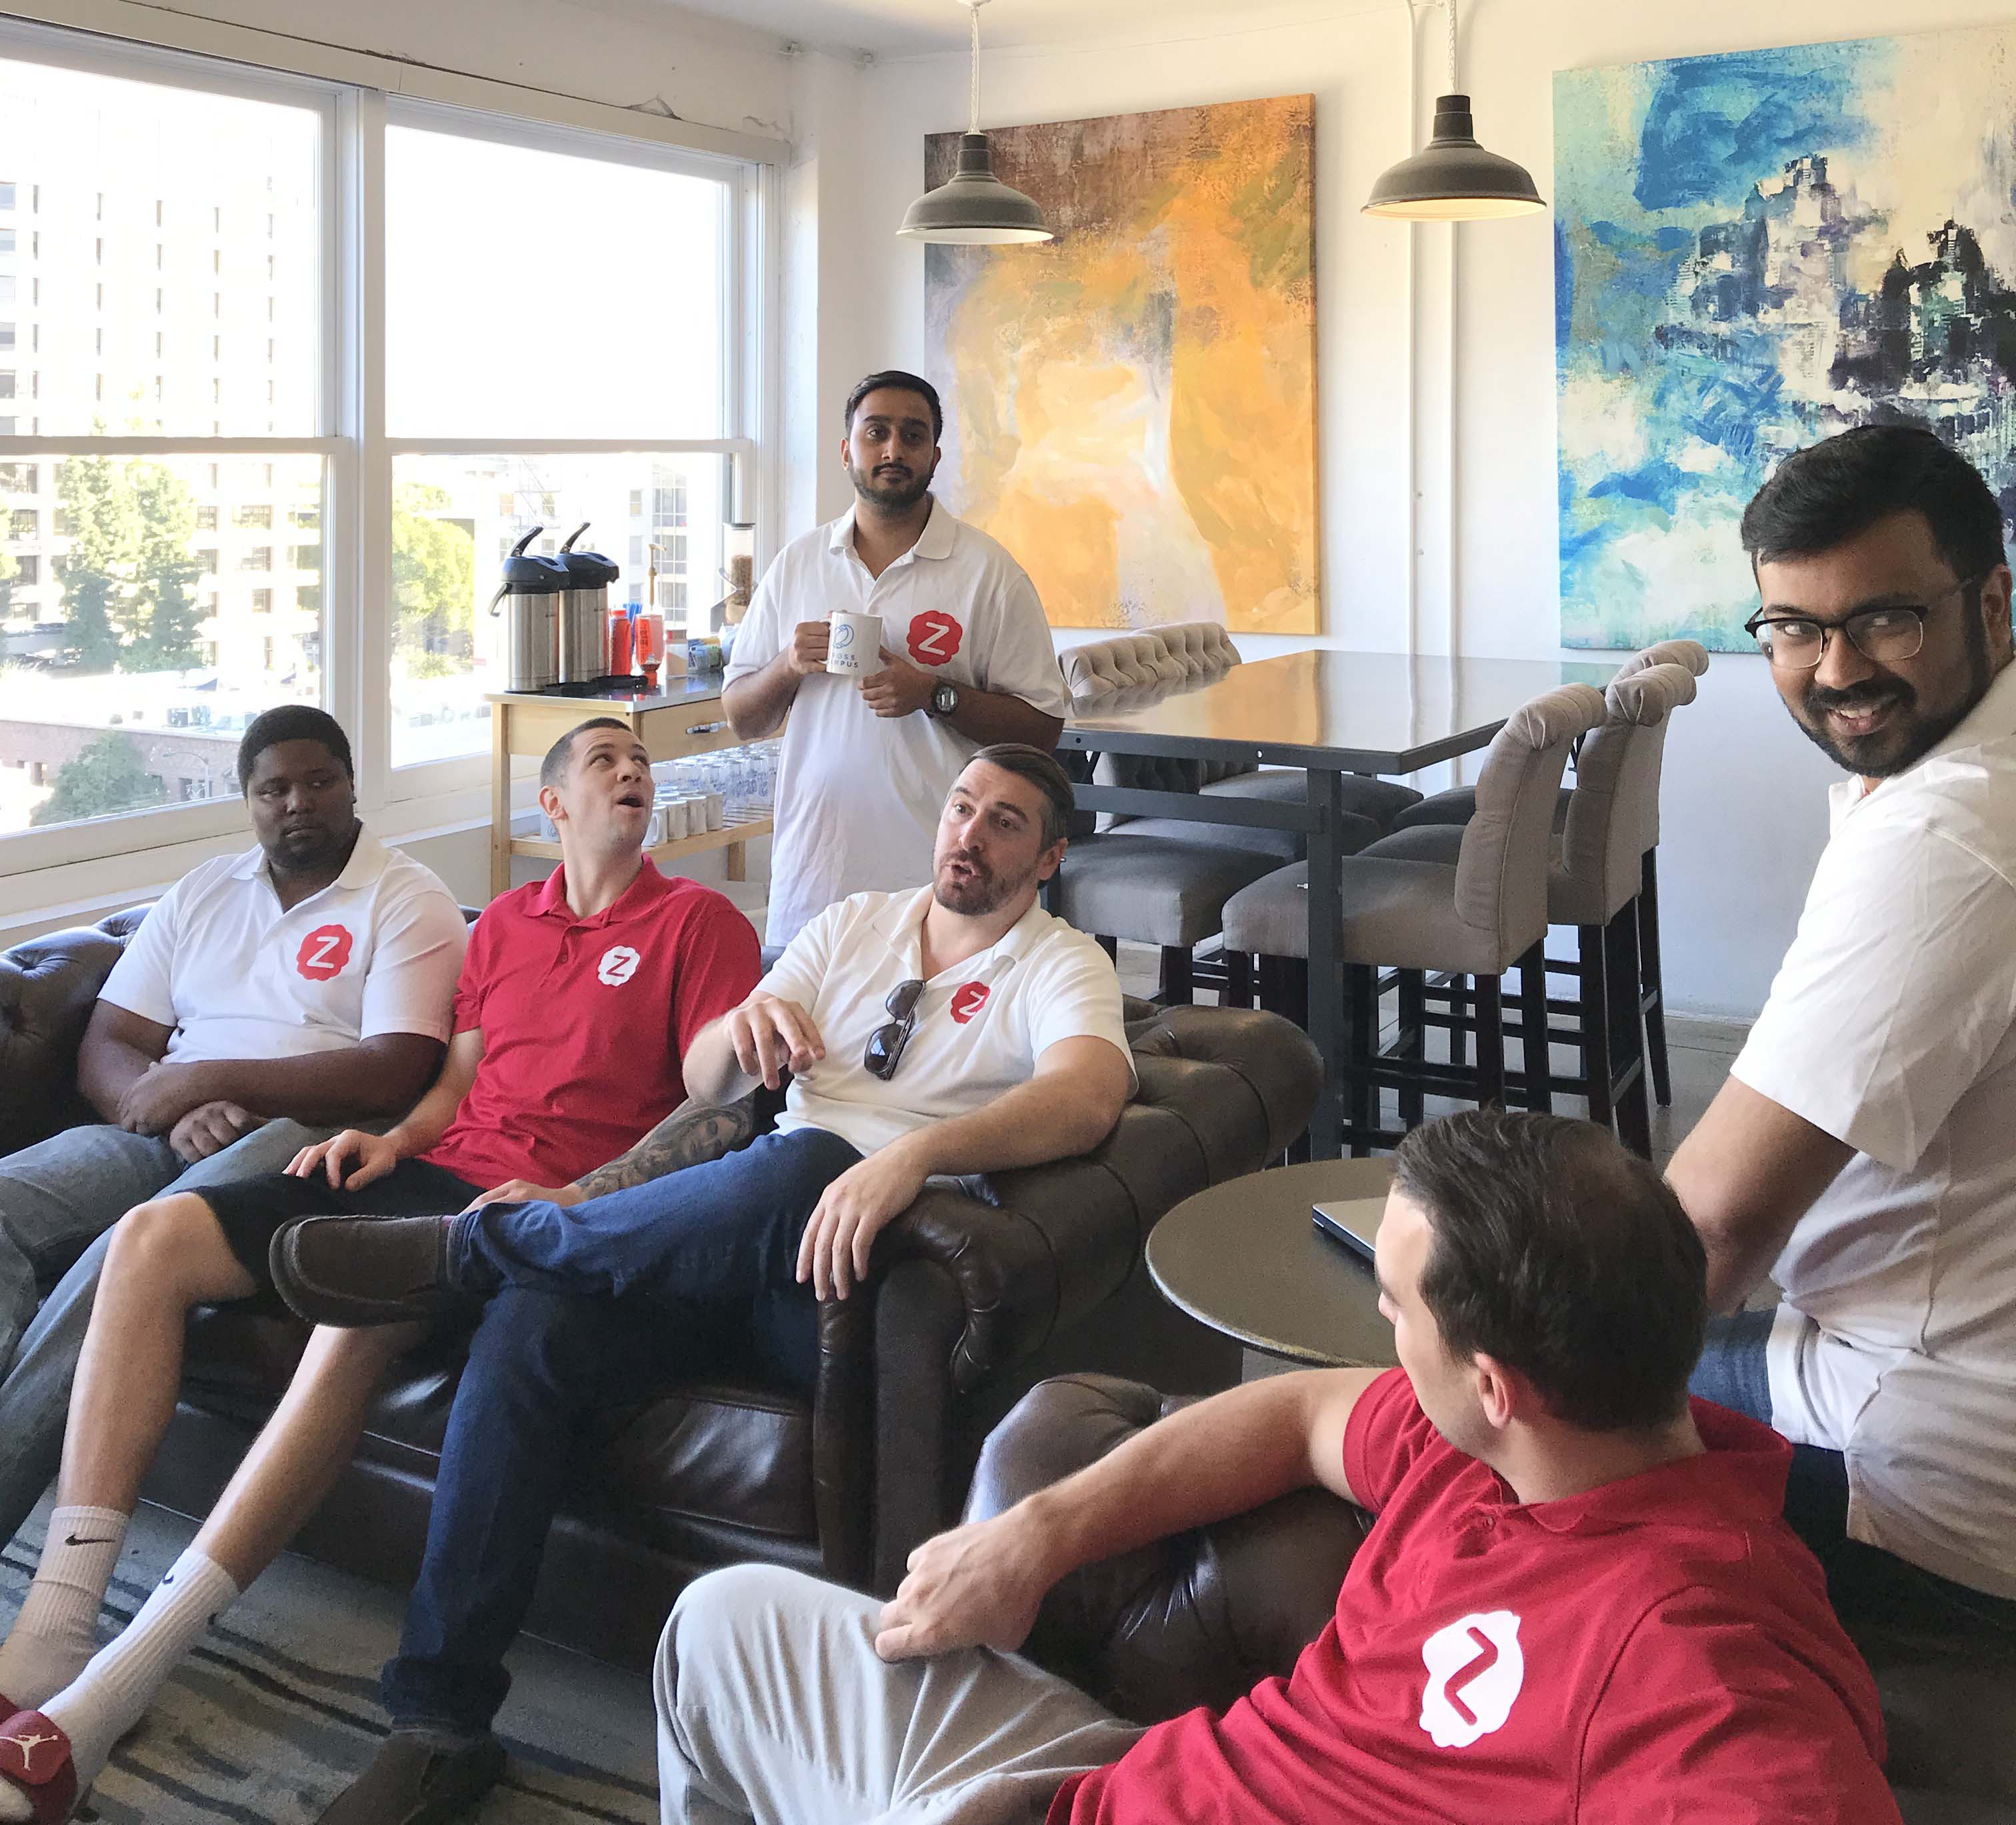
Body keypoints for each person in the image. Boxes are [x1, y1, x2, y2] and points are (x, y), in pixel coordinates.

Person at [263, 744, 1133, 1823]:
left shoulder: (1058, 964)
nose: (969, 833)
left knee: (808, 1161)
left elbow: (1088, 1095)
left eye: (1005, 822)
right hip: (730, 1236)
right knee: (538, 1325)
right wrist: (738, 1033)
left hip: (845, 1282)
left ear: (1047, 856)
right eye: (962, 807)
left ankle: (475, 1249)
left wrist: (912, 1156)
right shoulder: (852, 923)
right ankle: (436, 1723)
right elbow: (708, 1083)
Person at [654, 1109, 1901, 1825]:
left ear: (1492, 1383)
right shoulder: (1505, 1447)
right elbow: (1297, 1412)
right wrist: (1032, 1534)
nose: (1379, 1327)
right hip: (1101, 1778)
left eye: (1393, 1305)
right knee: (717, 1623)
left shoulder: (1691, 1651)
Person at [0, 717, 761, 1825]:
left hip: (558, 1214)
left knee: (356, 1308)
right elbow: (454, 1085)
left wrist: (587, 1192)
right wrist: (390, 1142)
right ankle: (62, 1617)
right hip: (438, 1177)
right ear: (552, 805)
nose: (631, 769)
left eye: (639, 760)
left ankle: (118, 1683)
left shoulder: (700, 920)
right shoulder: (504, 924)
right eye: (603, 759)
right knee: (152, 1237)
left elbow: (715, 1098)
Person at [1667, 423, 2016, 1644]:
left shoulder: (1947, 835)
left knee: (1455, 1432)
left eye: (1883, 620)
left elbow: (1716, 1223)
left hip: (1933, 1461)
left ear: (1989, 601)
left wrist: (1502, 1377)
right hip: (1934, 1339)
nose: (1835, 669)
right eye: (1792, 628)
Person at [0, 704, 466, 1550]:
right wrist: (170, 1103)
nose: (298, 802)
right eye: (274, 789)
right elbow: (112, 1038)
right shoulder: (204, 889)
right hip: (160, 1128)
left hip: (302, 1133)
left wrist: (209, 1078)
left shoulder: (406, 898)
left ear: (351, 784)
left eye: (318, 781)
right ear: (248, 800)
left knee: (123, 1258)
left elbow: (394, 1067)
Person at [722, 369, 1070, 944]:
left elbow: (1044, 730)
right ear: (846, 450)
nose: (893, 450)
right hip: (812, 882)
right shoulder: (798, 563)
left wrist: (934, 694)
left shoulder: (989, 574)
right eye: (875, 432)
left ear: (935, 455)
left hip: (938, 887)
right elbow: (742, 718)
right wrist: (788, 665)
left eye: (913, 435)